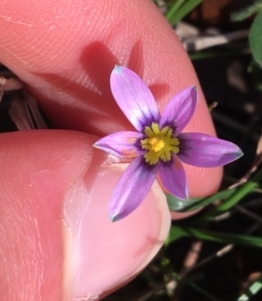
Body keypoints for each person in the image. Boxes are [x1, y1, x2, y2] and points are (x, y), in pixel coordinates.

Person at [0, 0, 223, 300]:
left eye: (159, 143)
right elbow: (122, 86)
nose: (156, 143)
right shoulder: (150, 142)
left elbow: (204, 149)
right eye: (157, 142)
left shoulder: (166, 153)